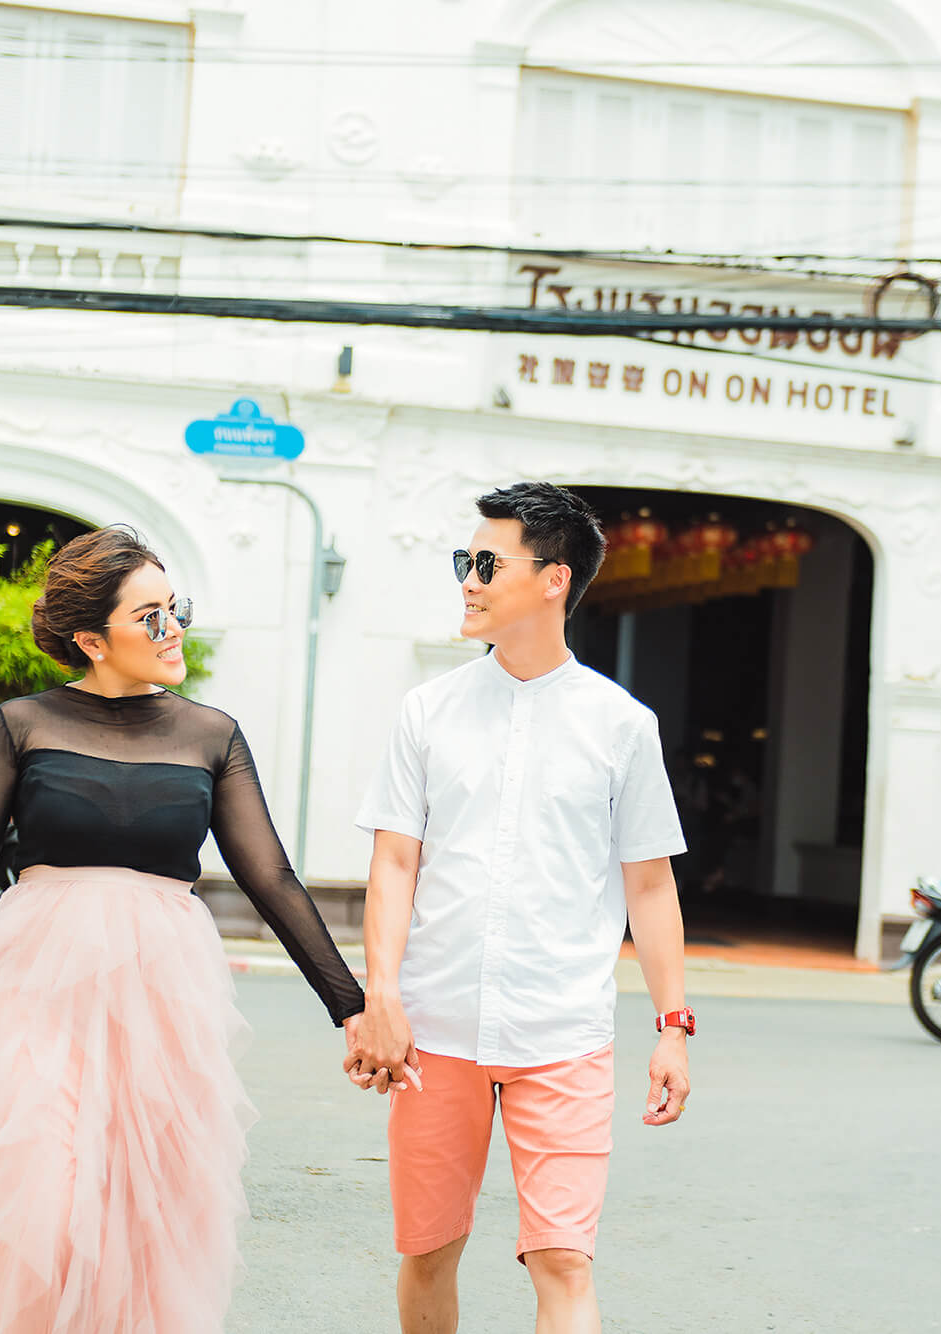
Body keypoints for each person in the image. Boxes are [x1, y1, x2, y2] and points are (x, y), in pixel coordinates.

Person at [0, 524, 366, 1334]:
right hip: (33, 982)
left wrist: (351, 1007)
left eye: (174, 609)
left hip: (165, 992)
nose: (173, 629)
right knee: (42, 1204)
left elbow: (273, 879)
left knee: (147, 1213)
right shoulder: (23, 725)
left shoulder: (209, 733)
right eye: (149, 616)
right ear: (91, 639)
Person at [349, 482, 693, 1334]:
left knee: (565, 1258)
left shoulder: (621, 725)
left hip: (564, 1032)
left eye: (485, 563)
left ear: (553, 579)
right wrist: (380, 998)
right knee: (429, 1249)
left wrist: (672, 1025)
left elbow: (650, 886)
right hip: (437, 1028)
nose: (467, 580)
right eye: (463, 562)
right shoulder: (428, 712)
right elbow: (394, 862)